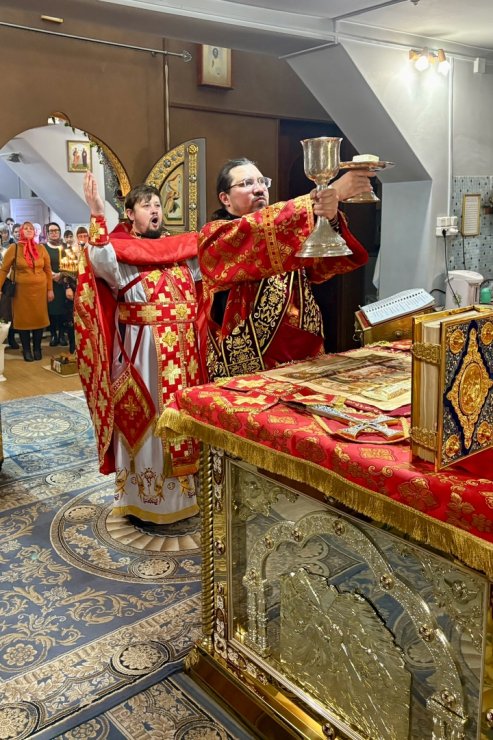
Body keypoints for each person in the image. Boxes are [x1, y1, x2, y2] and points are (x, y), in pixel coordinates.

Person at [74, 172, 204, 525]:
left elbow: (210, 267)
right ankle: (145, 500)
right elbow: (98, 259)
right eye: (146, 206)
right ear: (130, 214)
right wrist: (97, 213)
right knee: (147, 424)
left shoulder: (182, 253)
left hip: (186, 361)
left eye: (158, 205)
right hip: (143, 360)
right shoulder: (122, 256)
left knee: (185, 422)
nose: (155, 210)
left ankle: (188, 497)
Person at [198, 158, 371, 379]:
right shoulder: (214, 236)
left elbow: (324, 266)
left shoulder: (285, 230)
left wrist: (328, 218)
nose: (259, 188)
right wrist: (324, 197)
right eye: (247, 183)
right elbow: (254, 233)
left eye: (262, 181)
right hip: (250, 362)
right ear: (225, 198)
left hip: (304, 352)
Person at [0, 222, 53, 361]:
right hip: (21, 292)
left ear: (34, 232)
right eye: (26, 228)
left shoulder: (41, 248)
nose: (29, 230)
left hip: (40, 291)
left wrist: (50, 289)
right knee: (23, 320)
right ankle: (27, 349)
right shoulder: (14, 248)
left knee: (39, 318)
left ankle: (37, 348)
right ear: (21, 232)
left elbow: (48, 270)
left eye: (31, 228)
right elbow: (4, 270)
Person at [43, 222, 69, 347]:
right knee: (52, 310)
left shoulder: (65, 247)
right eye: (51, 231)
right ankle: (53, 334)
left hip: (63, 283)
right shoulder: (43, 248)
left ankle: (62, 334)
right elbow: (42, 264)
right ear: (47, 233)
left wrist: (61, 275)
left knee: (63, 310)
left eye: (56, 230)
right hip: (49, 284)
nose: (54, 233)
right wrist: (53, 275)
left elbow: (70, 263)